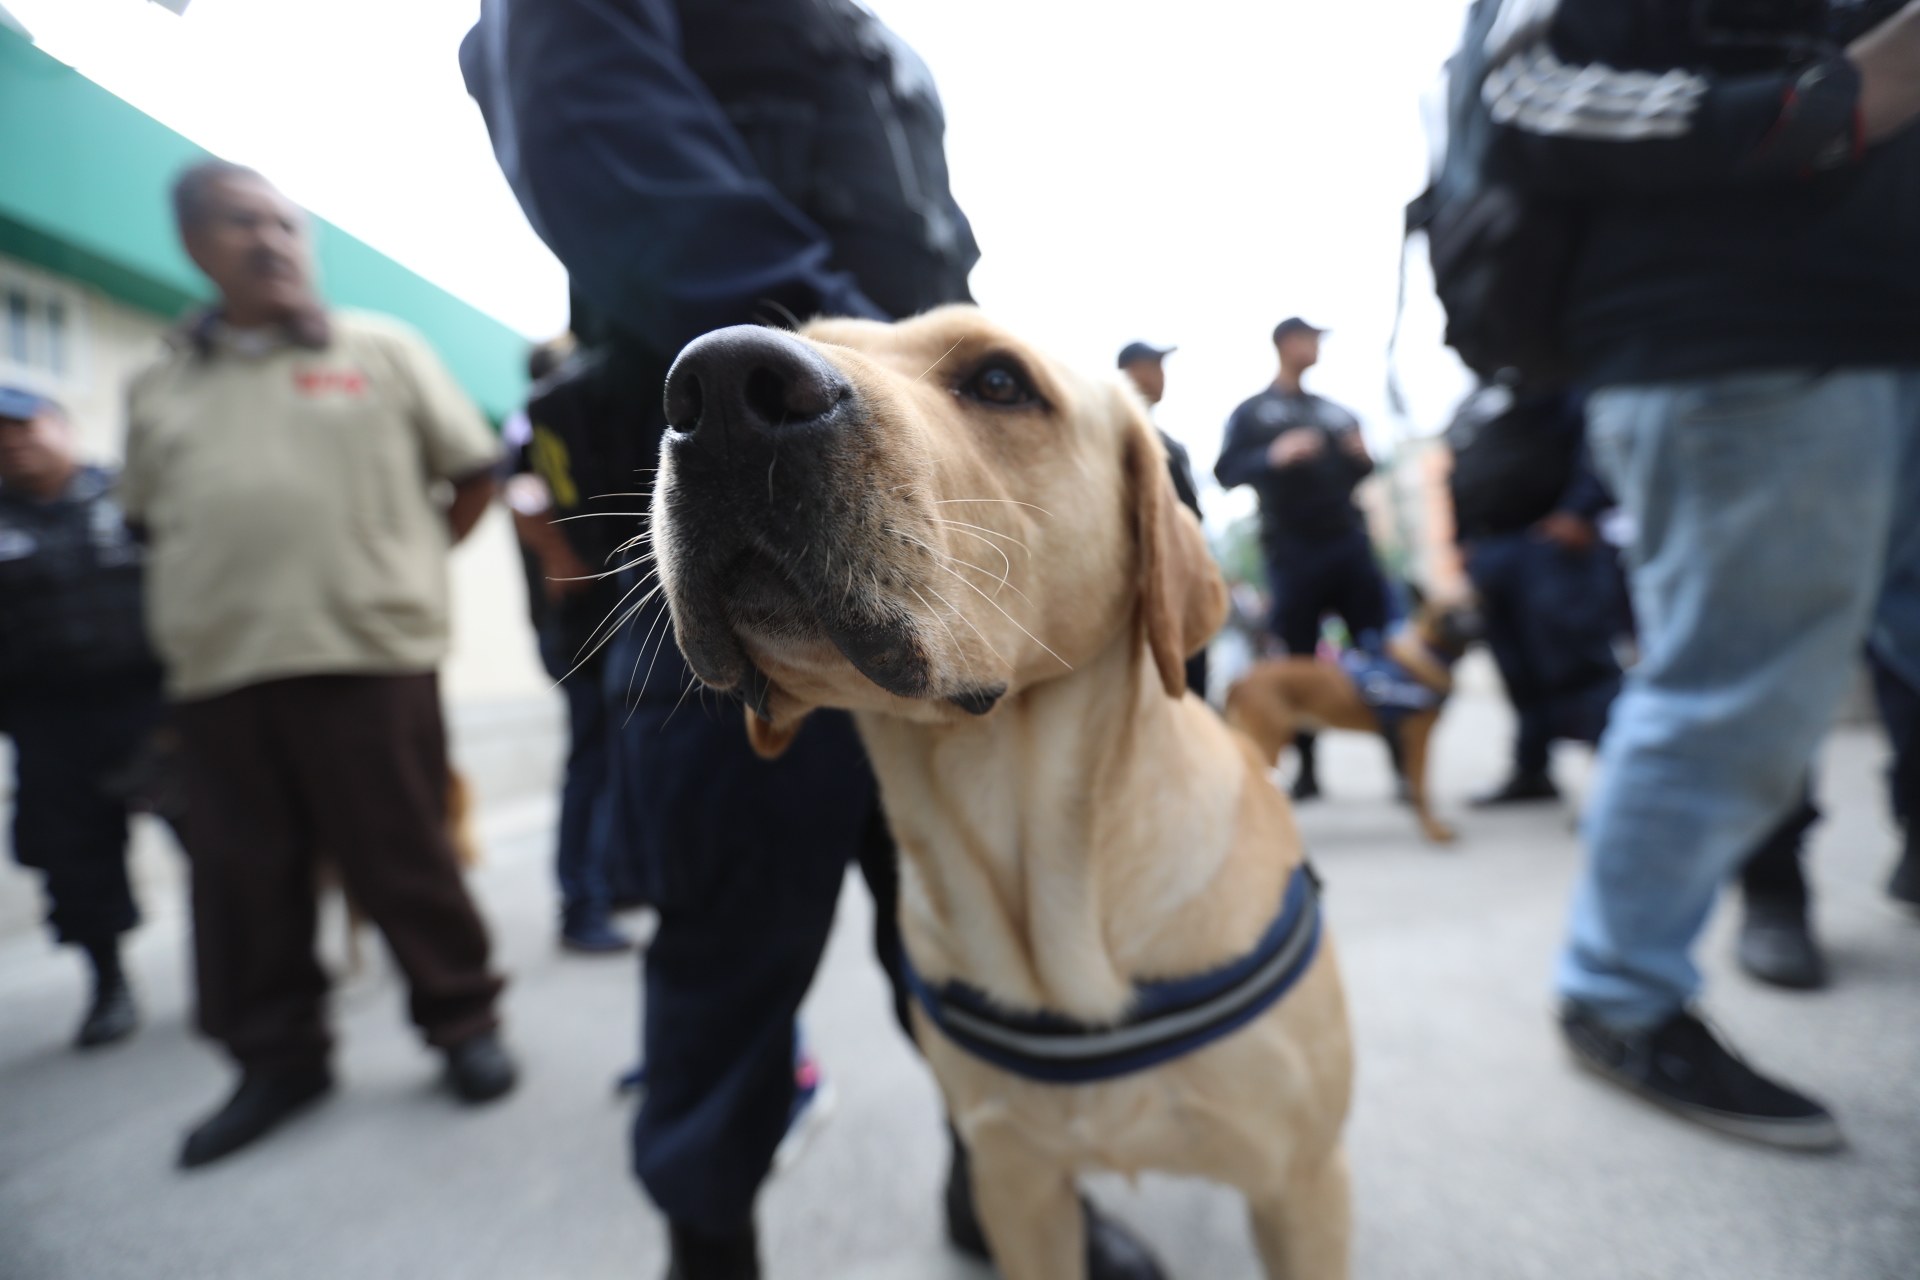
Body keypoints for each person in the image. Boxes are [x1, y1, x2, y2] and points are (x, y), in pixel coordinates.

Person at [461, 6, 1163, 1279]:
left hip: (923, 539)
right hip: (749, 507)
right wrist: (866, 384)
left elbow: (933, 264)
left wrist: (956, 426)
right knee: (725, 953)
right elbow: (603, 147)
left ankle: (1001, 1185)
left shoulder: (881, 51)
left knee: (979, 941)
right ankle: (710, 1240)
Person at [1472, 0, 1920, 1148]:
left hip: (1875, 324)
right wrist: (1825, 103)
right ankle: (1618, 993)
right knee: (1733, 691)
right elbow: (1521, 89)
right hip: (1749, 340)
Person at [121, 160, 517, 1169]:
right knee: (241, 878)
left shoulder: (380, 349)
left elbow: (474, 474)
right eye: (240, 223)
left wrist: (402, 565)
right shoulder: (158, 384)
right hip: (219, 668)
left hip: (367, 651)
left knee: (405, 849)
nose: (271, 241)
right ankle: (277, 1059)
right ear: (194, 243)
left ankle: (463, 1021)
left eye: (285, 224)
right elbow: (146, 519)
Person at [0, 387, 165, 1050]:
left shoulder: (128, 496)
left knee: (221, 837)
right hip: (48, 718)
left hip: (154, 703)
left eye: (25, 427)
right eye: (0, 435)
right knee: (72, 860)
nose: (13, 443)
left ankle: (248, 970)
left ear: (62, 428)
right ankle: (108, 984)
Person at [1214, 317, 1388, 799]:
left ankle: (1400, 762)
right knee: (1297, 658)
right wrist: (1273, 456)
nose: (1315, 347)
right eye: (1308, 339)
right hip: (1292, 549)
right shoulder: (1254, 413)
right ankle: (1308, 770)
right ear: (1285, 343)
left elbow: (1361, 474)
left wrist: (1362, 459)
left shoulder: (1335, 412)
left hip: (1348, 542)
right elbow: (1226, 472)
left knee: (1376, 650)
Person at [501, 336, 636, 953]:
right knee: (593, 760)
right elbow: (522, 495)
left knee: (615, 755)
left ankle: (610, 882)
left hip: (598, 617)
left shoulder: (554, 420)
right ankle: (581, 902)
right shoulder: (537, 420)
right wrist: (563, 557)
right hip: (579, 624)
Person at [1446, 383, 1621, 806]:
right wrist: (1463, 538)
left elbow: (1596, 438)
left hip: (1547, 540)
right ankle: (1532, 771)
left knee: (1579, 664)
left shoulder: (1549, 376)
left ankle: (1621, 782)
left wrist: (1580, 510)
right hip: (1491, 547)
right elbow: (1460, 471)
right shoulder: (1473, 402)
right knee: (1517, 671)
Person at [1119, 340, 1209, 697]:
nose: (1160, 376)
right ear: (1128, 372)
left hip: (1180, 578)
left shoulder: (1171, 446)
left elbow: (1193, 515)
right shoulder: (1111, 439)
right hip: (1135, 588)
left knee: (1191, 685)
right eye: (1152, 365)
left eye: (1161, 367)